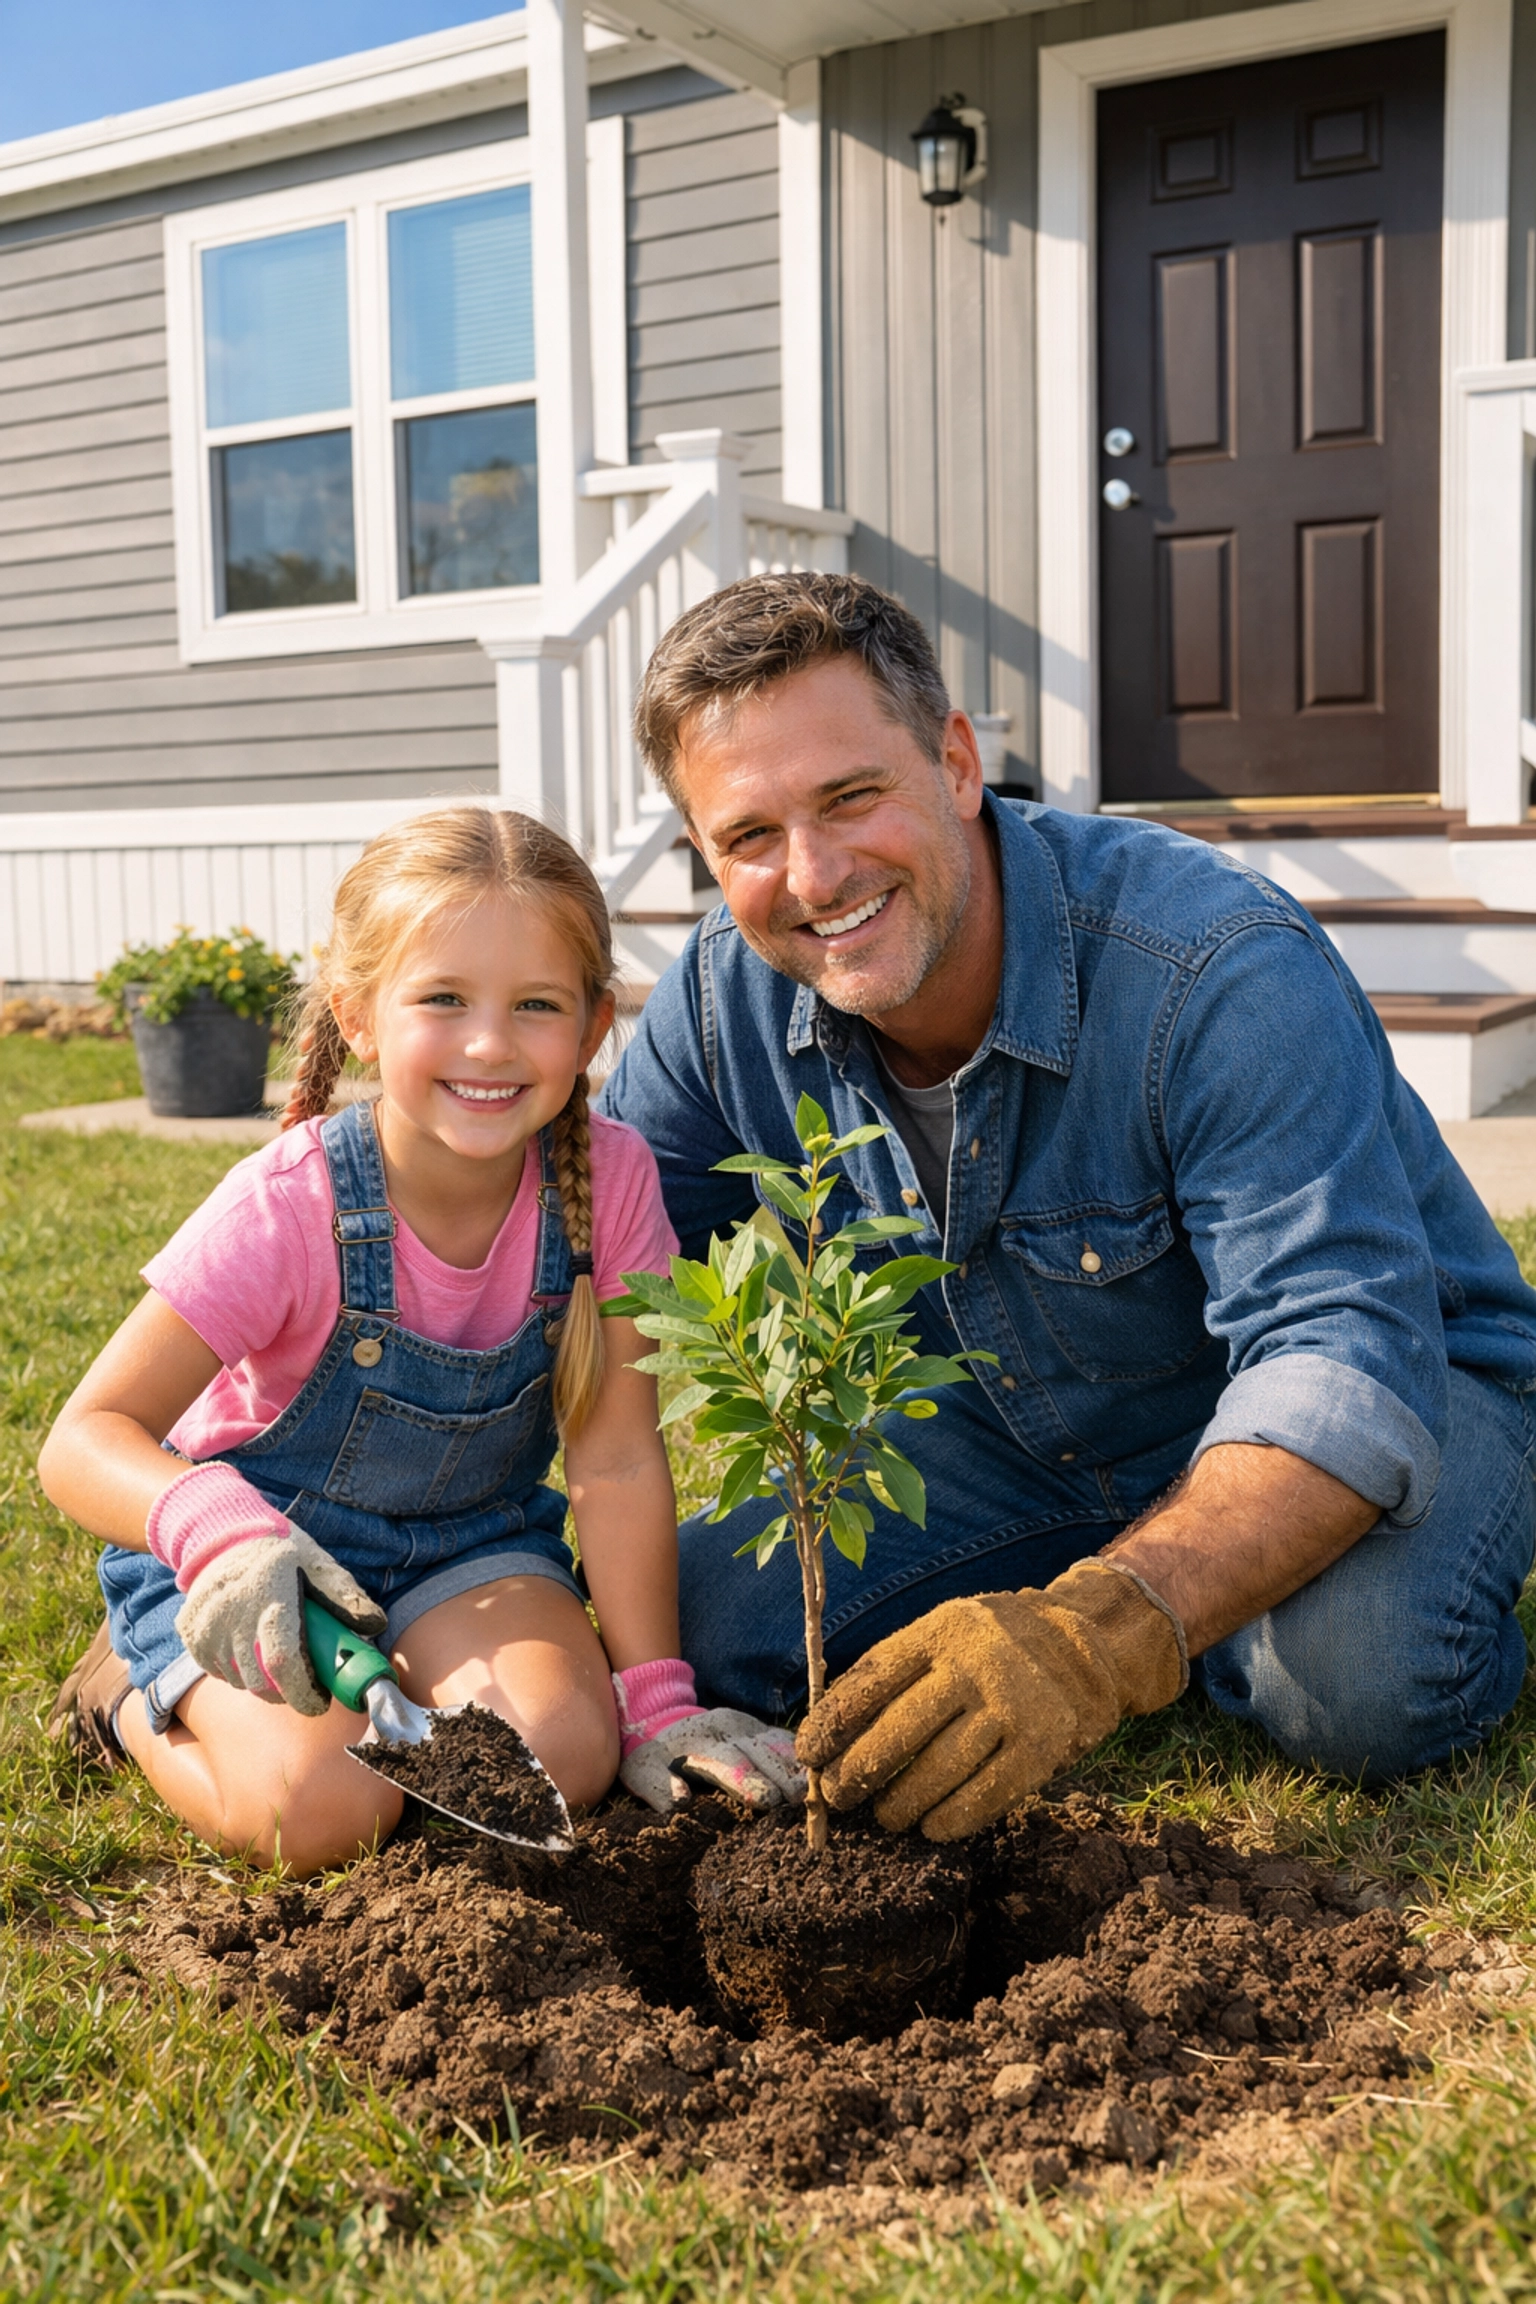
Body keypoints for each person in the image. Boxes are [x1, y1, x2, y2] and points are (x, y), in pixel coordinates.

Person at [599, 571, 1536, 1841]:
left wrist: (1098, 1636)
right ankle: (1204, 1606)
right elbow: (584, 1272)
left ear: (955, 760)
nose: (813, 875)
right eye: (748, 837)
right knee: (715, 1615)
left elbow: (1341, 1359)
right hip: (1022, 1436)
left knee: (1361, 1689)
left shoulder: (1209, 967)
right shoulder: (723, 1008)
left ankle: (1245, 1614)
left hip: (1415, 1382)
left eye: (852, 796)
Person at [42, 808, 798, 1873]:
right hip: (258, 1564)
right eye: (442, 998)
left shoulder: (610, 1185)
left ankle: (401, 1682)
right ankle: (128, 1694)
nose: (490, 1044)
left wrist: (656, 1702)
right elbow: (82, 1438)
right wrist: (214, 1529)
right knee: (316, 1817)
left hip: (471, 1546)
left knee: (564, 1759)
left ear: (590, 1030)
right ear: (357, 1013)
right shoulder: (289, 1206)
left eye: (536, 1006)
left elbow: (617, 1456)